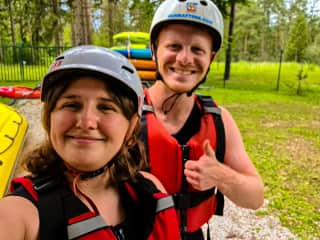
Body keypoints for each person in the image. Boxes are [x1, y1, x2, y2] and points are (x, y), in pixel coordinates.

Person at [0, 45, 181, 240]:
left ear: (131, 128)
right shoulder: (18, 215)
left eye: (106, 107)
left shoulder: (150, 188)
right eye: (71, 105)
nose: (86, 122)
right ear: (49, 118)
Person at [139, 0, 264, 239]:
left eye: (197, 50)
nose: (185, 59)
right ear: (154, 50)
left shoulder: (220, 119)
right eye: (174, 46)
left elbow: (256, 197)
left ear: (211, 58)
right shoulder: (126, 112)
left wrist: (221, 176)